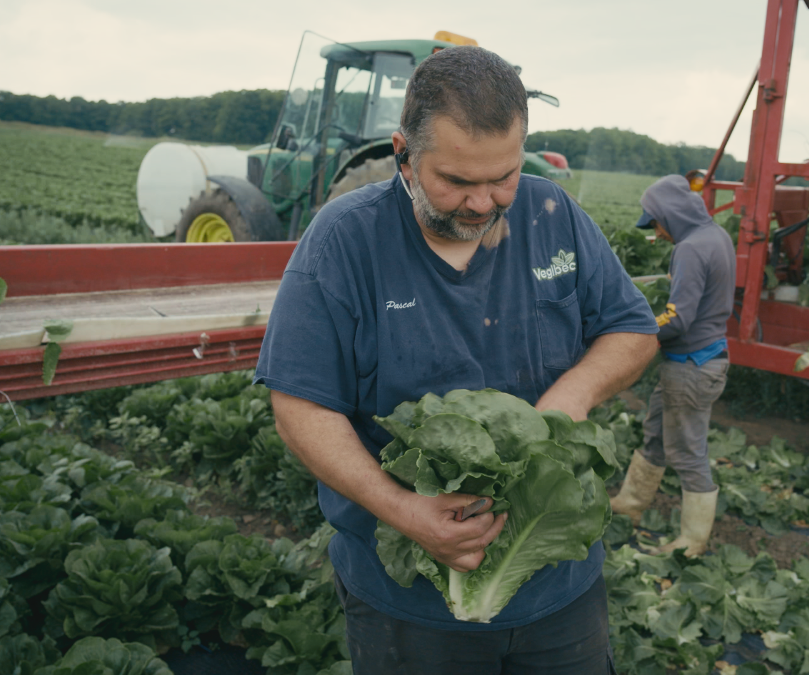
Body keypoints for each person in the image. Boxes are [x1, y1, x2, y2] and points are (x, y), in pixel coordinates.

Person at [254, 46, 658, 674]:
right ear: (403, 155)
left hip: (556, 587)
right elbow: (300, 406)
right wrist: (405, 511)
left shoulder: (554, 215)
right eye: (457, 181)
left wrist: (572, 394)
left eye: (503, 177)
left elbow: (632, 330)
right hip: (407, 599)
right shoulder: (343, 242)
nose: (482, 203)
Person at [609, 174, 736, 558]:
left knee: (687, 452)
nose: (657, 233)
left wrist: (637, 327)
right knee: (656, 436)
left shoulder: (692, 249)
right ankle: (629, 504)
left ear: (672, 215)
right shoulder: (716, 237)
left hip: (691, 368)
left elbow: (678, 319)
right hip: (698, 364)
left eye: (656, 223)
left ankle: (690, 544)